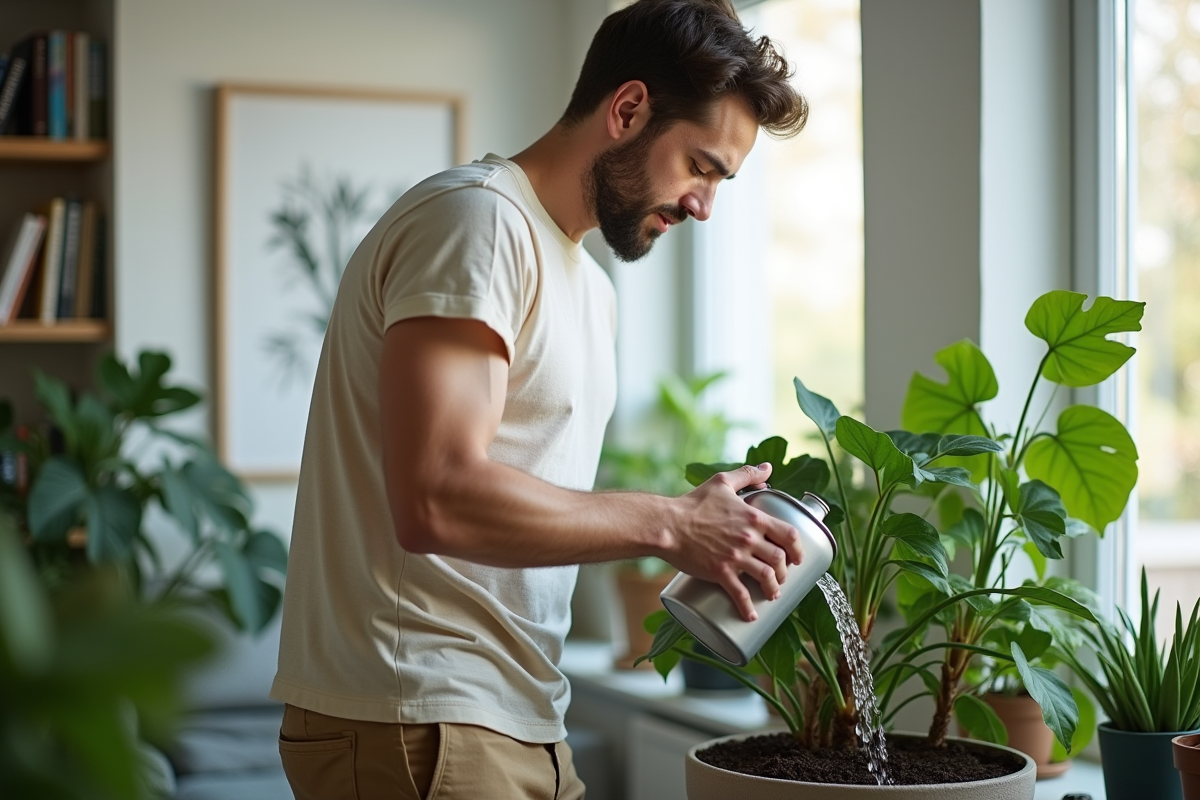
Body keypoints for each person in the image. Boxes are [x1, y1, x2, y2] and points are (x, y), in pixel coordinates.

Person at [270, 1, 809, 797]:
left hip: (517, 718)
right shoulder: (478, 221)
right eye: (700, 165)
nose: (703, 206)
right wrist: (672, 523)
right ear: (627, 110)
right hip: (419, 714)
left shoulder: (588, 286)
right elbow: (436, 499)